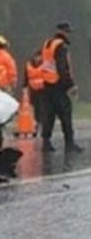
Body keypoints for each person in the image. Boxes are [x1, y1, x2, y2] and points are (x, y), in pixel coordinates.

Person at [38, 22, 82, 152]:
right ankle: (69, 143)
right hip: (58, 85)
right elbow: (63, 68)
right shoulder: (61, 46)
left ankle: (46, 142)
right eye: (67, 32)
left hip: (47, 84)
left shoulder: (48, 43)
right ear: (63, 32)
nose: (69, 34)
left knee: (49, 114)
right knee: (65, 113)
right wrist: (70, 85)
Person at [24, 50, 46, 136]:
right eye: (36, 57)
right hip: (33, 90)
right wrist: (24, 86)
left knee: (43, 108)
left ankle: (42, 124)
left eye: (39, 57)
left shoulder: (45, 64)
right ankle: (36, 123)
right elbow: (26, 76)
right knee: (35, 108)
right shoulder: (29, 65)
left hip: (43, 89)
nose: (38, 59)